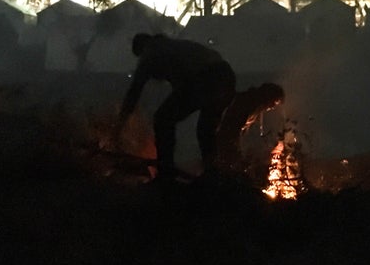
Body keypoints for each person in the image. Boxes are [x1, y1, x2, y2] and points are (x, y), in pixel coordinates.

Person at [119, 33, 236, 180]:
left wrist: (119, 124)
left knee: (163, 119)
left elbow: (134, 92)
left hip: (207, 78)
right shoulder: (174, 48)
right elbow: (181, 87)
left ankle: (165, 172)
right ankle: (213, 173)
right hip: (226, 76)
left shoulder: (151, 53)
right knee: (206, 130)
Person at [216, 83, 285, 173]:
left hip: (229, 142)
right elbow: (233, 129)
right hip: (224, 142)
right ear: (268, 97)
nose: (272, 107)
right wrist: (237, 152)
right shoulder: (247, 103)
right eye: (274, 102)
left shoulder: (257, 106)